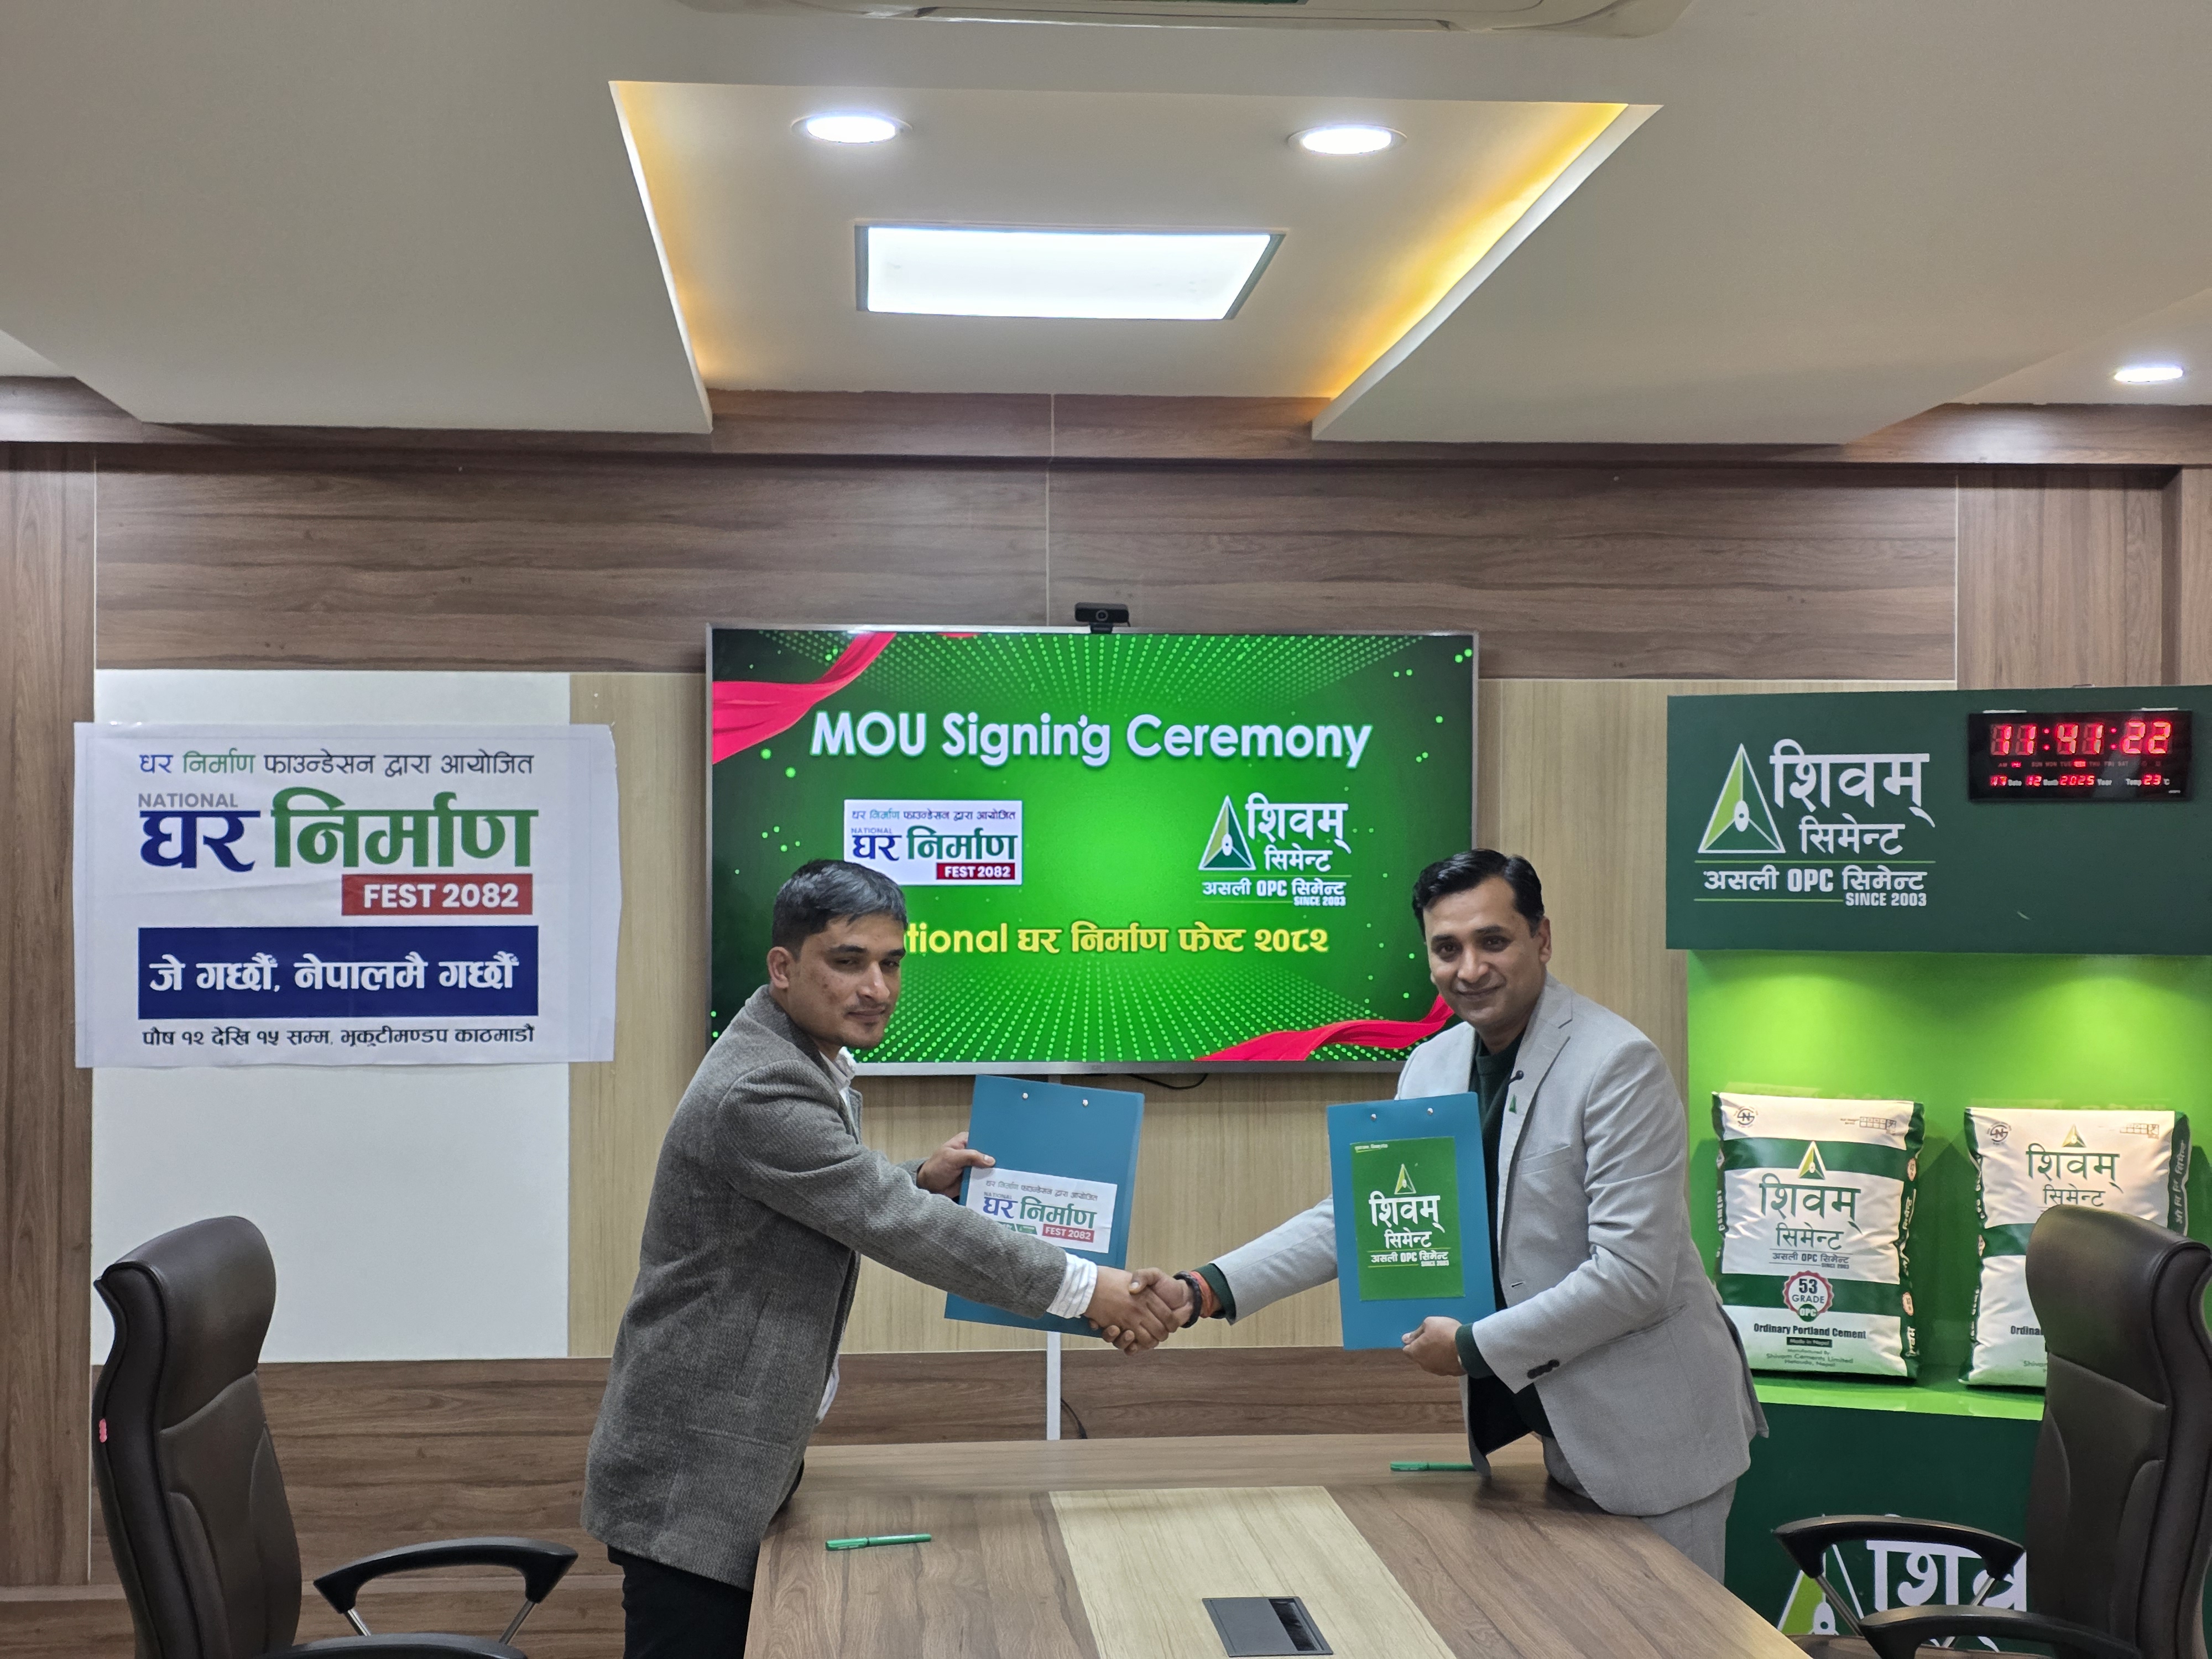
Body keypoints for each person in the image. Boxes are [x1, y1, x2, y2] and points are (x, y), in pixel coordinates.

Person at [582, 859, 1178, 1658]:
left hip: (726, 1459)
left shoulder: (794, 1059)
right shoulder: (761, 1087)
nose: (877, 988)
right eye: (849, 961)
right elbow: (895, 1224)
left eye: (892, 963)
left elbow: (830, 1194)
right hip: (694, 1475)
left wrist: (918, 1178)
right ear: (784, 968)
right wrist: (1087, 1287)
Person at [1137, 849, 1765, 1578]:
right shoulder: (1432, 1065)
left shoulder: (1617, 1064)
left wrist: (1470, 1347)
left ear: (1542, 939)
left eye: (1492, 941)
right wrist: (1202, 1290)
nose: (1470, 969)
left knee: (1667, 1634)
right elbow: (1361, 1218)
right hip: (1553, 1436)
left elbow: (1633, 1279)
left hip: (1653, 1439)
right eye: (1447, 949)